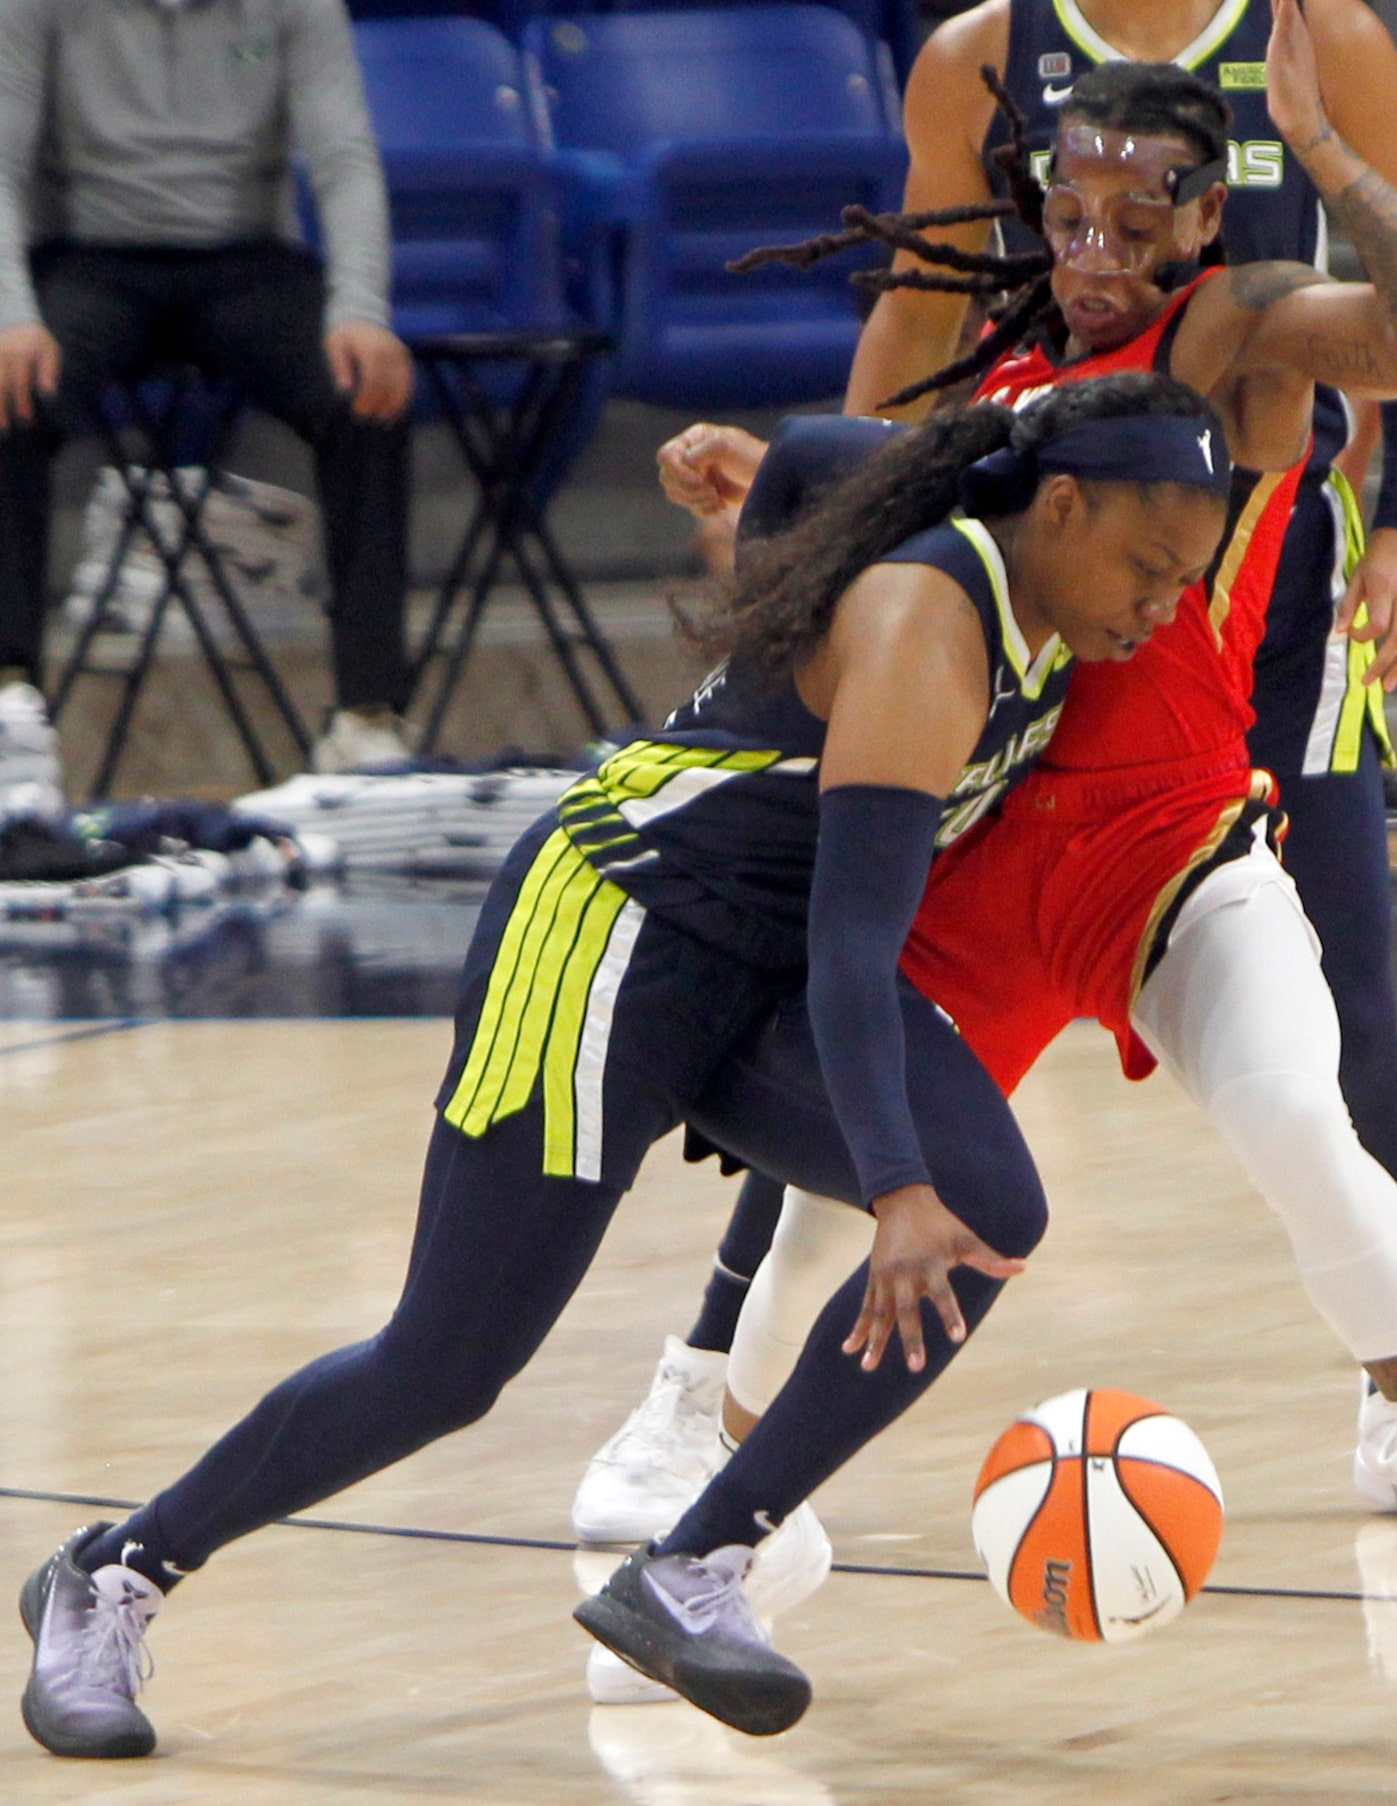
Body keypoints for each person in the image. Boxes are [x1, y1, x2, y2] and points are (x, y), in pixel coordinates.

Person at [579, 0, 1397, 1713]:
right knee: (846, 1185)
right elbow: (881, 508)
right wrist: (763, 478)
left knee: (1309, 1119)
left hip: (1172, 864)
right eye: (1067, 212)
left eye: (1132, 216)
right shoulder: (1003, 355)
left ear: (1198, 221)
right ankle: (719, 1513)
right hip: (991, 858)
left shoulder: (1234, 335)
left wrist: (1318, 147)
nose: (1093, 247)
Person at [17, 369, 1238, 1755]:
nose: (1160, 605)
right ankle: (112, 1570)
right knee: (447, 1361)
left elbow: (830, 462)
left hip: (753, 957)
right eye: (1147, 567)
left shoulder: (1008, 522)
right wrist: (886, 1181)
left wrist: (759, 471)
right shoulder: (929, 625)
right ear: (1060, 505)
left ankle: (692, 1566)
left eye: (1185, 577)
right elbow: (852, 948)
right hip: (613, 931)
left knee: (987, 1207)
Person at [0, 0, 415, 798]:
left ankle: (369, 716)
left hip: (244, 260)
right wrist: (10, 314)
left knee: (366, 394)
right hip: (86, 255)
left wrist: (361, 313)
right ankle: (10, 709)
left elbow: (344, 159)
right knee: (8, 396)